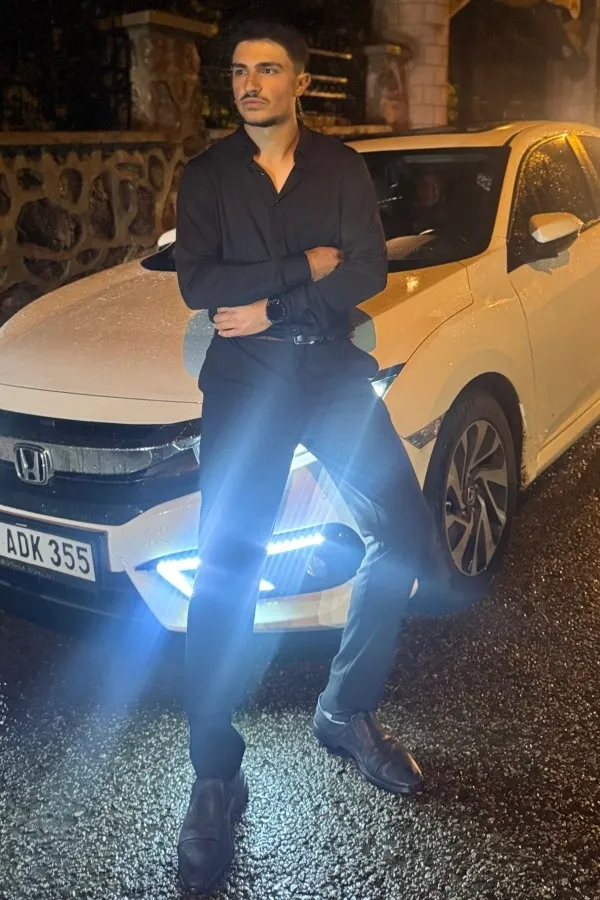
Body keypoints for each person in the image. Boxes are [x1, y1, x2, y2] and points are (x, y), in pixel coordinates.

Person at [175, 21, 440, 895]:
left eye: (268, 70)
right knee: (226, 565)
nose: (249, 83)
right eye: (239, 71)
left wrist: (277, 297)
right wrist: (301, 267)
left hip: (328, 373)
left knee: (402, 529)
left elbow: (365, 270)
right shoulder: (208, 175)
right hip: (246, 381)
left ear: (300, 83)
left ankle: (345, 710)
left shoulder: (341, 167)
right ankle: (216, 773)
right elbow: (200, 284)